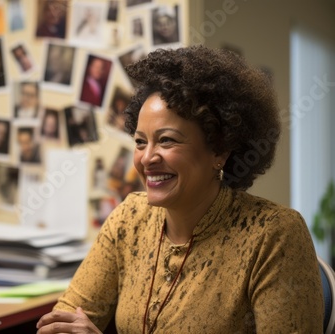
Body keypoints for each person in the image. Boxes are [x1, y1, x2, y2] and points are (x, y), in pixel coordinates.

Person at [36, 46, 324, 333]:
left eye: (167, 140)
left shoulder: (274, 235)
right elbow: (61, 324)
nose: (147, 157)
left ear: (219, 152)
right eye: (140, 142)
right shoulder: (129, 219)